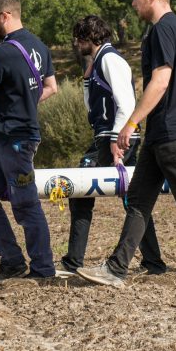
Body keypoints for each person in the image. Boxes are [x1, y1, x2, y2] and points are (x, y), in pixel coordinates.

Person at [76, 0, 176, 288]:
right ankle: (116, 269)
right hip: (163, 134)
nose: (133, 3)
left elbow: (160, 81)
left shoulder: (162, 30)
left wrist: (130, 123)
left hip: (174, 133)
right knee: (139, 200)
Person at [57, 15, 166, 278]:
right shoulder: (99, 62)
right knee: (133, 200)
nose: (76, 43)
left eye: (78, 38)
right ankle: (153, 262)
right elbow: (92, 108)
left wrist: (118, 140)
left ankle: (73, 263)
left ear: (89, 38)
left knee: (81, 194)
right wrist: (86, 81)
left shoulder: (110, 59)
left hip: (114, 138)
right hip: (107, 137)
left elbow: (126, 103)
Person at [0, 0, 59, 281]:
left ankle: (43, 268)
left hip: (14, 140)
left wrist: (10, 111)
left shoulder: (3, 52)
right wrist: (25, 105)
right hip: (8, 141)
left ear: (5, 16)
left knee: (25, 204)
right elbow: (51, 87)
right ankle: (11, 261)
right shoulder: (40, 46)